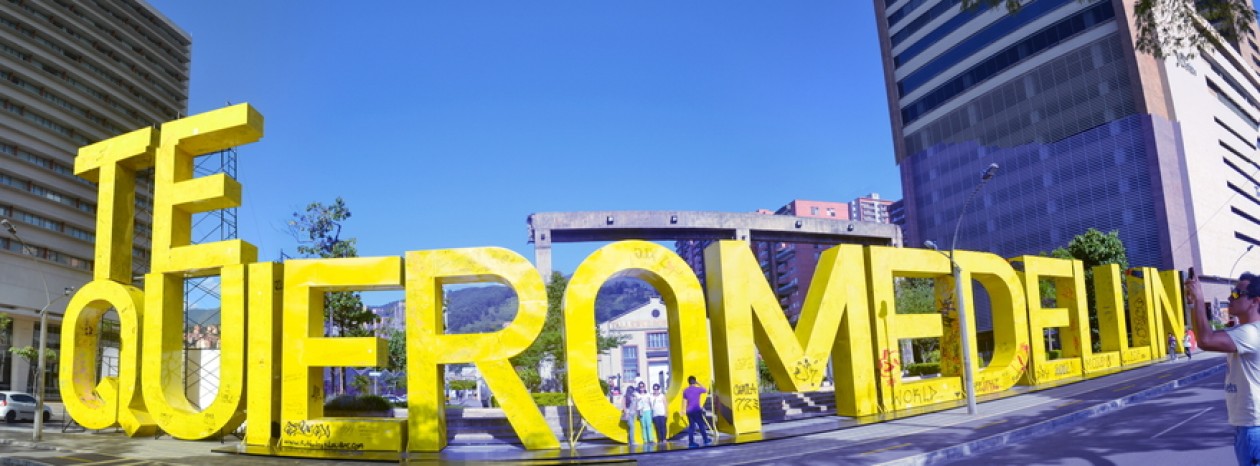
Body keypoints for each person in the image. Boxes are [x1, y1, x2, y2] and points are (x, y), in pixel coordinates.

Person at [1186, 271, 1260, 465]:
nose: (1230, 297)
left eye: (1237, 293)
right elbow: (1207, 334)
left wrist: (1200, 298)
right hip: (1248, 425)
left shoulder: (1251, 334)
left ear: (1255, 301)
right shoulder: (1244, 332)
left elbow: (1205, 340)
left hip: (1254, 427)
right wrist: (1194, 303)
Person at [682, 375, 711, 448]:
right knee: (701, 425)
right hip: (696, 410)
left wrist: (684, 410)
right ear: (694, 382)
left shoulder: (685, 390)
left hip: (689, 411)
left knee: (691, 427)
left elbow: (684, 401)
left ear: (688, 382)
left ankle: (691, 442)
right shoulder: (698, 389)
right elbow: (706, 390)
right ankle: (705, 439)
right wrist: (698, 383)